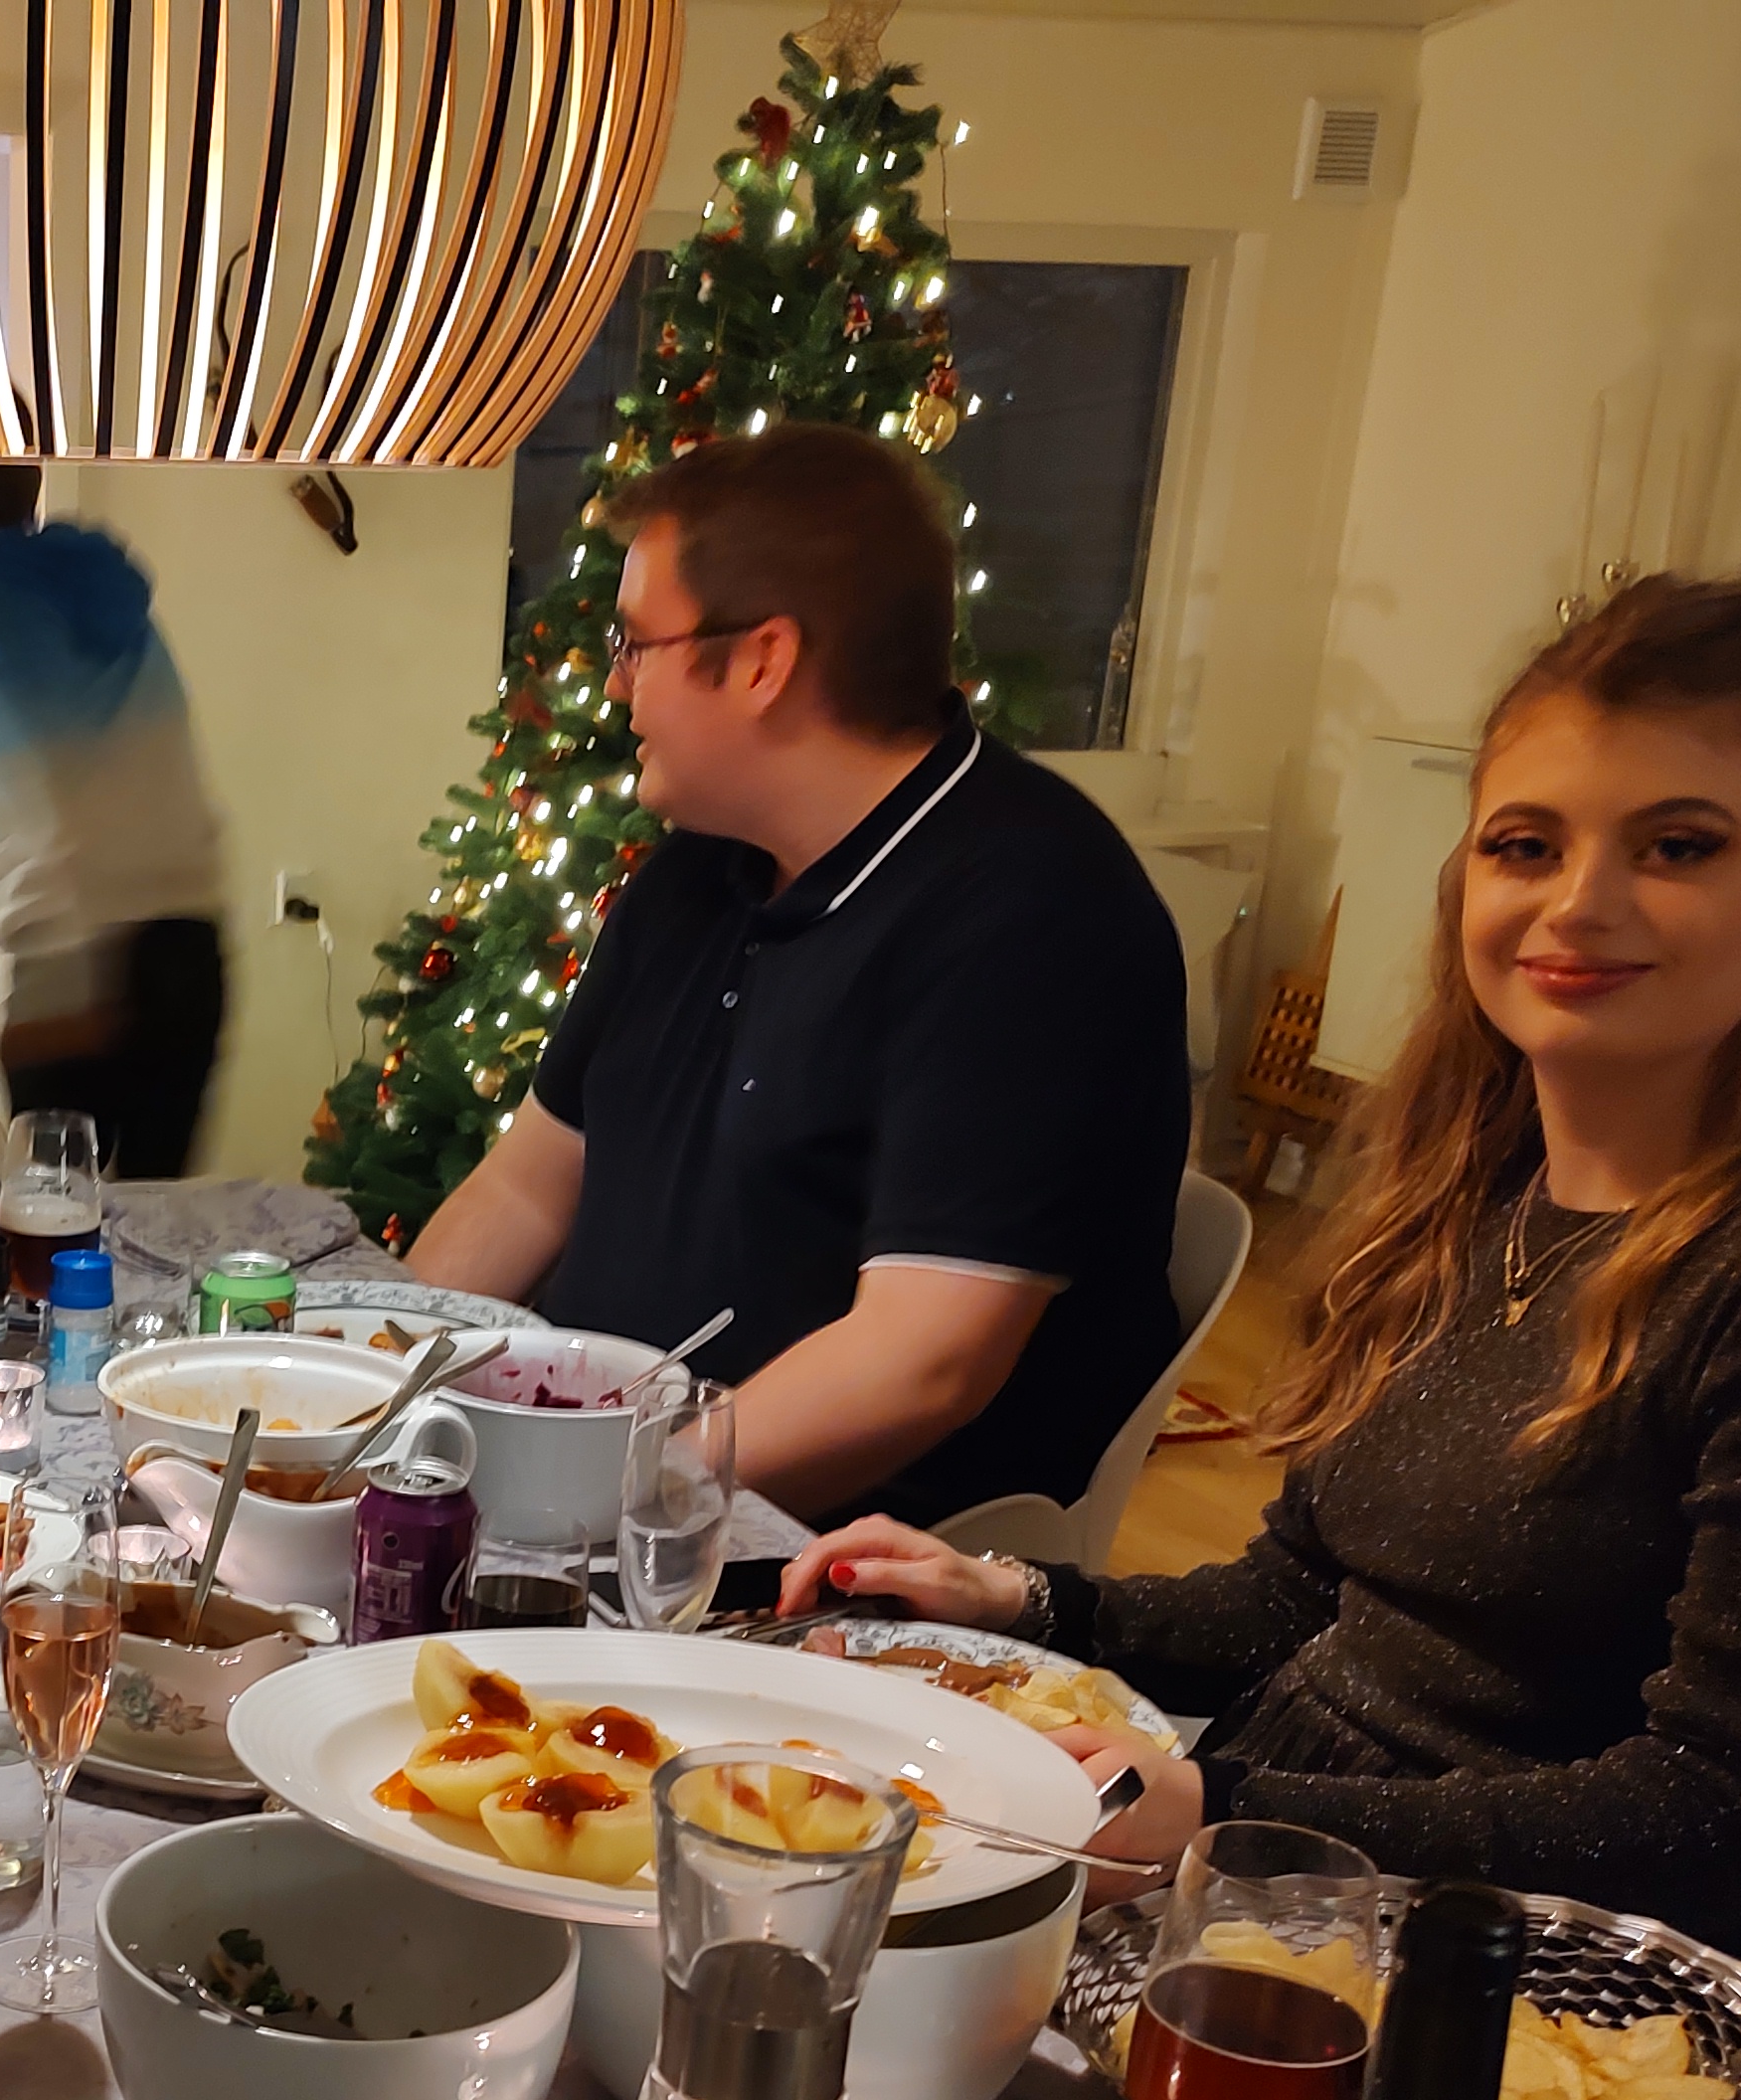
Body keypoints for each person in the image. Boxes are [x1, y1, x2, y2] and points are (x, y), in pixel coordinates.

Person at [781, 575, 1741, 1982]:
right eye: (1525, 845)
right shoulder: (1478, 1184)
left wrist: (1226, 1817)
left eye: (1677, 846)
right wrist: (1018, 1604)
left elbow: (1731, 1820)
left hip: (1501, 1984)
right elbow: (1302, 1596)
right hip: (1275, 1879)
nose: (1579, 903)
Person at [405, 423, 1192, 1522]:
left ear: (762, 662)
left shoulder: (1034, 915)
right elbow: (525, 1188)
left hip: (812, 1557)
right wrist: (374, 1401)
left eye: (636, 645)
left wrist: (606, 1502)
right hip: (591, 1478)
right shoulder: (699, 871)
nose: (616, 684)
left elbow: (921, 1363)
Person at [0, 461, 230, 1178]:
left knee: (53, 1223)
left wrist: (44, 996)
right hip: (189, 940)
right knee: (158, 1212)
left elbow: (17, 799)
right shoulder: (107, 585)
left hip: (76, 956)